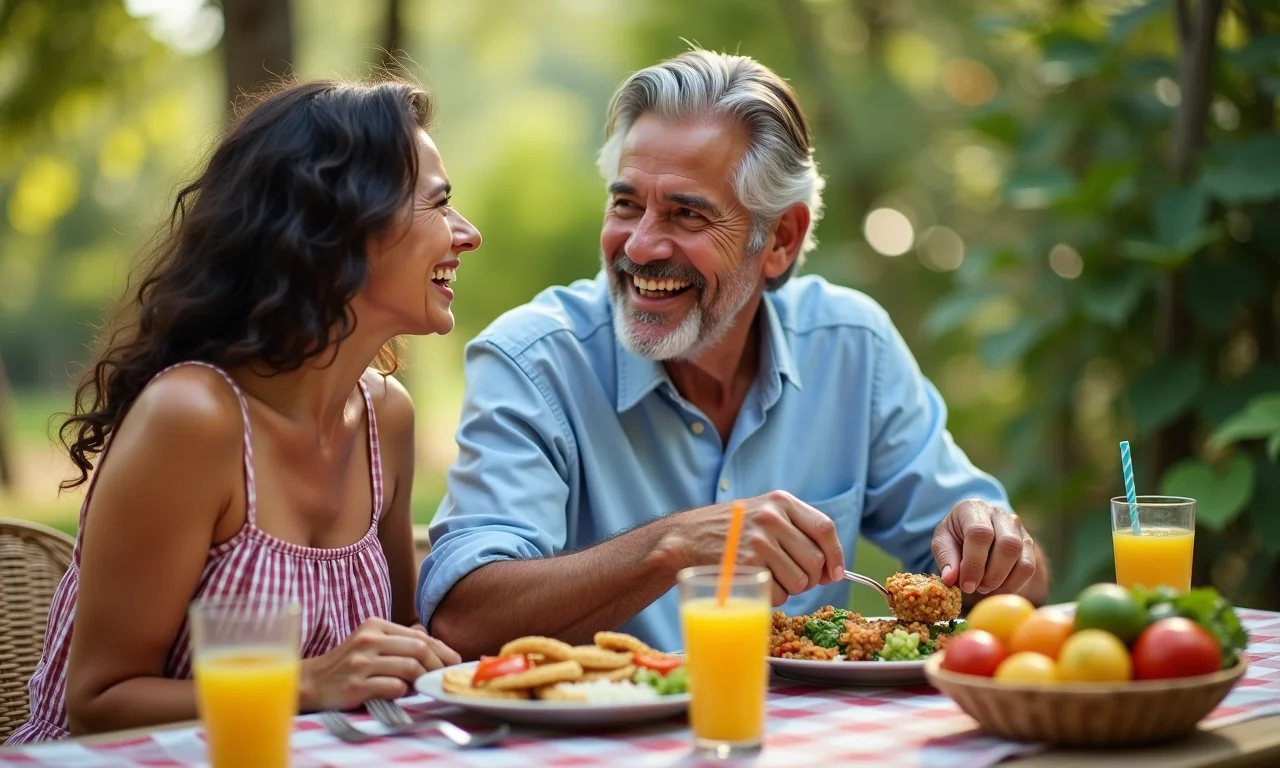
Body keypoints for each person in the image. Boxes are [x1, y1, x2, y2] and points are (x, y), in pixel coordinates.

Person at [419, 49, 1048, 658]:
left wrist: (993, 548)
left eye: (687, 215)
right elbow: (461, 618)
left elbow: (1021, 590)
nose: (639, 247)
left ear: (780, 239)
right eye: (626, 204)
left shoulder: (854, 347)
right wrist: (673, 546)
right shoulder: (532, 360)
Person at [5, 78, 479, 744]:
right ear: (338, 227)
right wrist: (308, 683)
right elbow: (99, 703)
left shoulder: (386, 419)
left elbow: (395, 654)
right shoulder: (194, 419)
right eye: (440, 204)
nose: (469, 235)